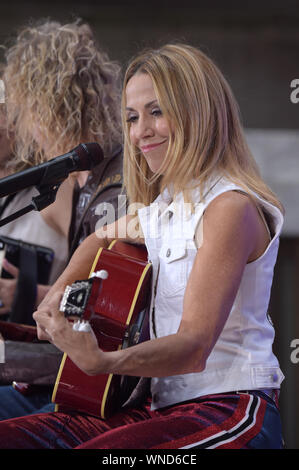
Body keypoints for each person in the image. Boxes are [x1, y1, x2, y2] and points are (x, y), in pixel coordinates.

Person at [0, 43, 284, 449]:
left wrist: (104, 363)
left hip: (230, 406)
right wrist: (56, 295)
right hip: (164, 407)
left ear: (197, 112)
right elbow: (102, 236)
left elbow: (194, 348)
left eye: (156, 112)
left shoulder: (229, 207)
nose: (139, 132)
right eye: (132, 117)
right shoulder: (166, 208)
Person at [0, 19, 123, 419]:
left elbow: (119, 303)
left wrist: (27, 296)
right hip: (64, 370)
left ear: (48, 106)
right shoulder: (75, 178)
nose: (27, 130)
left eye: (26, 111)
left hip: (104, 385)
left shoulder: (118, 181)